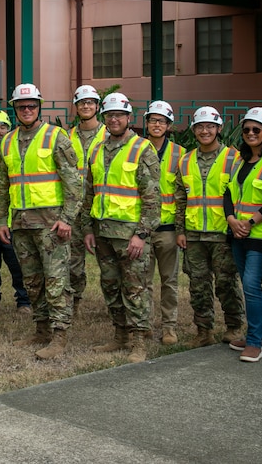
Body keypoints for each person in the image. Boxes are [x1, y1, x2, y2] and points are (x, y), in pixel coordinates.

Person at [0, 83, 83, 360]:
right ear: (15, 109)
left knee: (56, 281)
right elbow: (3, 186)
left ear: (39, 107)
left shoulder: (56, 137)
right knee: (32, 281)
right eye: (21, 106)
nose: (27, 110)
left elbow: (74, 183)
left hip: (51, 224)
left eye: (31, 105)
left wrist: (67, 219)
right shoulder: (8, 141)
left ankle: (59, 335)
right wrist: (1, 220)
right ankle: (41, 330)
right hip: (21, 224)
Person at [80, 93, 160, 363]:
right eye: (109, 115)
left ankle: (139, 341)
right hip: (103, 232)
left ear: (129, 118)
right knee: (111, 285)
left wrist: (141, 234)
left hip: (130, 235)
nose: (114, 120)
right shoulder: (97, 150)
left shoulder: (142, 149)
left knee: (135, 288)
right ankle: (120, 335)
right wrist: (87, 228)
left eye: (119, 115)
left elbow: (152, 198)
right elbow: (90, 192)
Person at [175, 106, 244, 347]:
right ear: (194, 130)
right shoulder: (185, 160)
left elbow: (240, 196)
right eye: (200, 127)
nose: (205, 131)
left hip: (223, 234)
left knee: (226, 283)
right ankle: (204, 331)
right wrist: (180, 231)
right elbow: (180, 199)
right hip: (194, 235)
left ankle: (234, 327)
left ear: (219, 128)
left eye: (210, 126)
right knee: (198, 285)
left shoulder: (234, 158)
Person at [224, 107, 262, 362]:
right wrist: (231, 220)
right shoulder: (240, 160)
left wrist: (249, 222)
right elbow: (228, 193)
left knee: (250, 285)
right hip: (238, 233)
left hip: (259, 234)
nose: (250, 133)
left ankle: (255, 342)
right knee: (248, 285)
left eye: (256, 129)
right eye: (246, 129)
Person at [144, 100, 185, 346]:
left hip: (168, 229)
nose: (157, 125)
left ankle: (169, 327)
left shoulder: (180, 154)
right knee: (144, 281)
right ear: (146, 123)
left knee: (169, 281)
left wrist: (180, 229)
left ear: (169, 125)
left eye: (162, 121)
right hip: (143, 229)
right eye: (153, 120)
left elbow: (182, 194)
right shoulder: (137, 148)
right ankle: (146, 324)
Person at [0, 109, 30, 314]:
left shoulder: (15, 153)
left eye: (3, 127)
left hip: (12, 218)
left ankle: (24, 300)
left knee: (18, 264)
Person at [67, 84, 107, 311]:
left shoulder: (109, 135)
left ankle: (115, 306)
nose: (86, 106)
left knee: (109, 261)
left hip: (101, 205)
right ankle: (74, 302)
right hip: (73, 207)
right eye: (82, 103)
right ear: (76, 106)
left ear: (97, 106)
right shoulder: (67, 136)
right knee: (72, 260)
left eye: (90, 102)